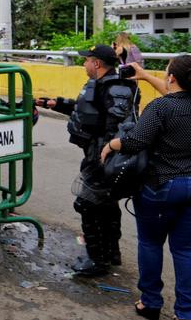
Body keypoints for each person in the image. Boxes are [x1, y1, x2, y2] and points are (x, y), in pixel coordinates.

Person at [100, 55, 191, 320]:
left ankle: (151, 303)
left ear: (171, 78)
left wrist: (111, 144)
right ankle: (186, 315)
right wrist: (144, 75)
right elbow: (179, 101)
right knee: (187, 249)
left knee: (151, 243)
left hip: (163, 186)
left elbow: (136, 141)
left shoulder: (161, 107)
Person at [39, 44, 139, 276]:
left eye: (86, 60)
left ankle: (97, 260)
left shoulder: (116, 88)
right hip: (98, 154)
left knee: (87, 204)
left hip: (103, 157)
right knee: (106, 204)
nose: (84, 64)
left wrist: (104, 153)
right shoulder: (104, 85)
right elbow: (88, 111)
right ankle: (111, 253)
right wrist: (57, 103)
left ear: (97, 63)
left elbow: (118, 125)